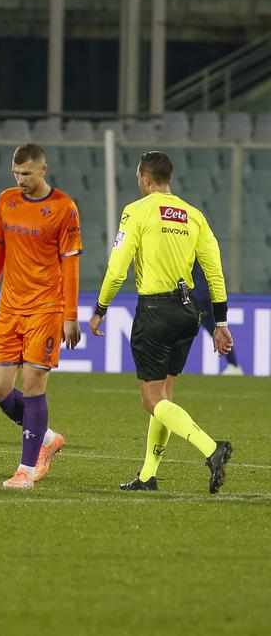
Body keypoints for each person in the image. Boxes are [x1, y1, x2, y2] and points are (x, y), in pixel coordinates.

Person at [89, 151, 233, 494]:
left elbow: (117, 266)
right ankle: (147, 476)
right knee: (165, 397)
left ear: (144, 178)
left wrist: (100, 308)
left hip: (155, 310)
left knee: (152, 400)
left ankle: (212, 449)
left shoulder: (136, 211)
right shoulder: (193, 215)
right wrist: (221, 322)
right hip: (187, 313)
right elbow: (213, 271)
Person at [0, 143, 81, 490]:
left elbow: (71, 264)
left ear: (43, 169)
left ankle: (25, 470)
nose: (20, 179)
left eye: (27, 173)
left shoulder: (64, 208)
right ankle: (46, 438)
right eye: (16, 173)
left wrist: (70, 314)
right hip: (10, 308)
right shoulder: (6, 200)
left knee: (33, 387)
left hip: (46, 309)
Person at [192, 260, 243, 375]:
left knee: (215, 331)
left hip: (199, 298)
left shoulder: (195, 252)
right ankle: (233, 365)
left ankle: (234, 365)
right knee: (215, 331)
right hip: (200, 296)